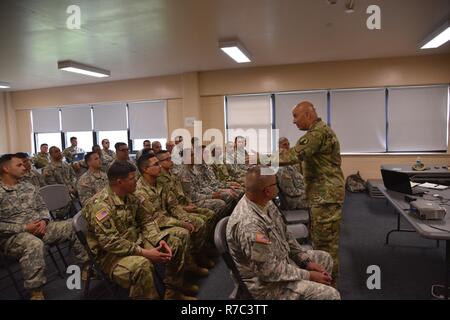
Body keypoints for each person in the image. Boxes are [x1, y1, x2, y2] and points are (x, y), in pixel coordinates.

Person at [226, 165, 340, 300]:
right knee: (331, 295)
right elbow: (268, 272)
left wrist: (305, 262)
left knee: (324, 258)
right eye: (276, 183)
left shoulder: (265, 202)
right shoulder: (249, 225)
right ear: (267, 191)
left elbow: (286, 236)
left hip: (282, 262)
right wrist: (308, 275)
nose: (278, 187)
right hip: (267, 286)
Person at [0, 154, 88, 300]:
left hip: (40, 228)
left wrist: (44, 220)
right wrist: (24, 228)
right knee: (34, 244)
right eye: (19, 165)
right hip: (12, 237)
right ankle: (36, 292)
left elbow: (42, 207)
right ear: (5, 168)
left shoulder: (28, 187)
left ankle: (86, 267)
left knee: (74, 226)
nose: (24, 167)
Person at [82, 161, 169, 300]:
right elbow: (110, 242)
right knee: (142, 266)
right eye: (132, 178)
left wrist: (158, 239)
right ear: (119, 182)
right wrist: (144, 252)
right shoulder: (101, 206)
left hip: (133, 242)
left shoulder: (131, 196)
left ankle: (172, 291)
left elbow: (146, 221)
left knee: (170, 244)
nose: (136, 181)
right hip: (109, 256)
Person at [288, 101, 345, 285]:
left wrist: (260, 158)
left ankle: (329, 287)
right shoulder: (321, 131)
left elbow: (293, 154)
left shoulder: (317, 133)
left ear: (308, 115)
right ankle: (328, 284)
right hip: (324, 196)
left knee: (325, 246)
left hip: (325, 197)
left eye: (296, 116)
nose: (293, 121)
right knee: (323, 242)